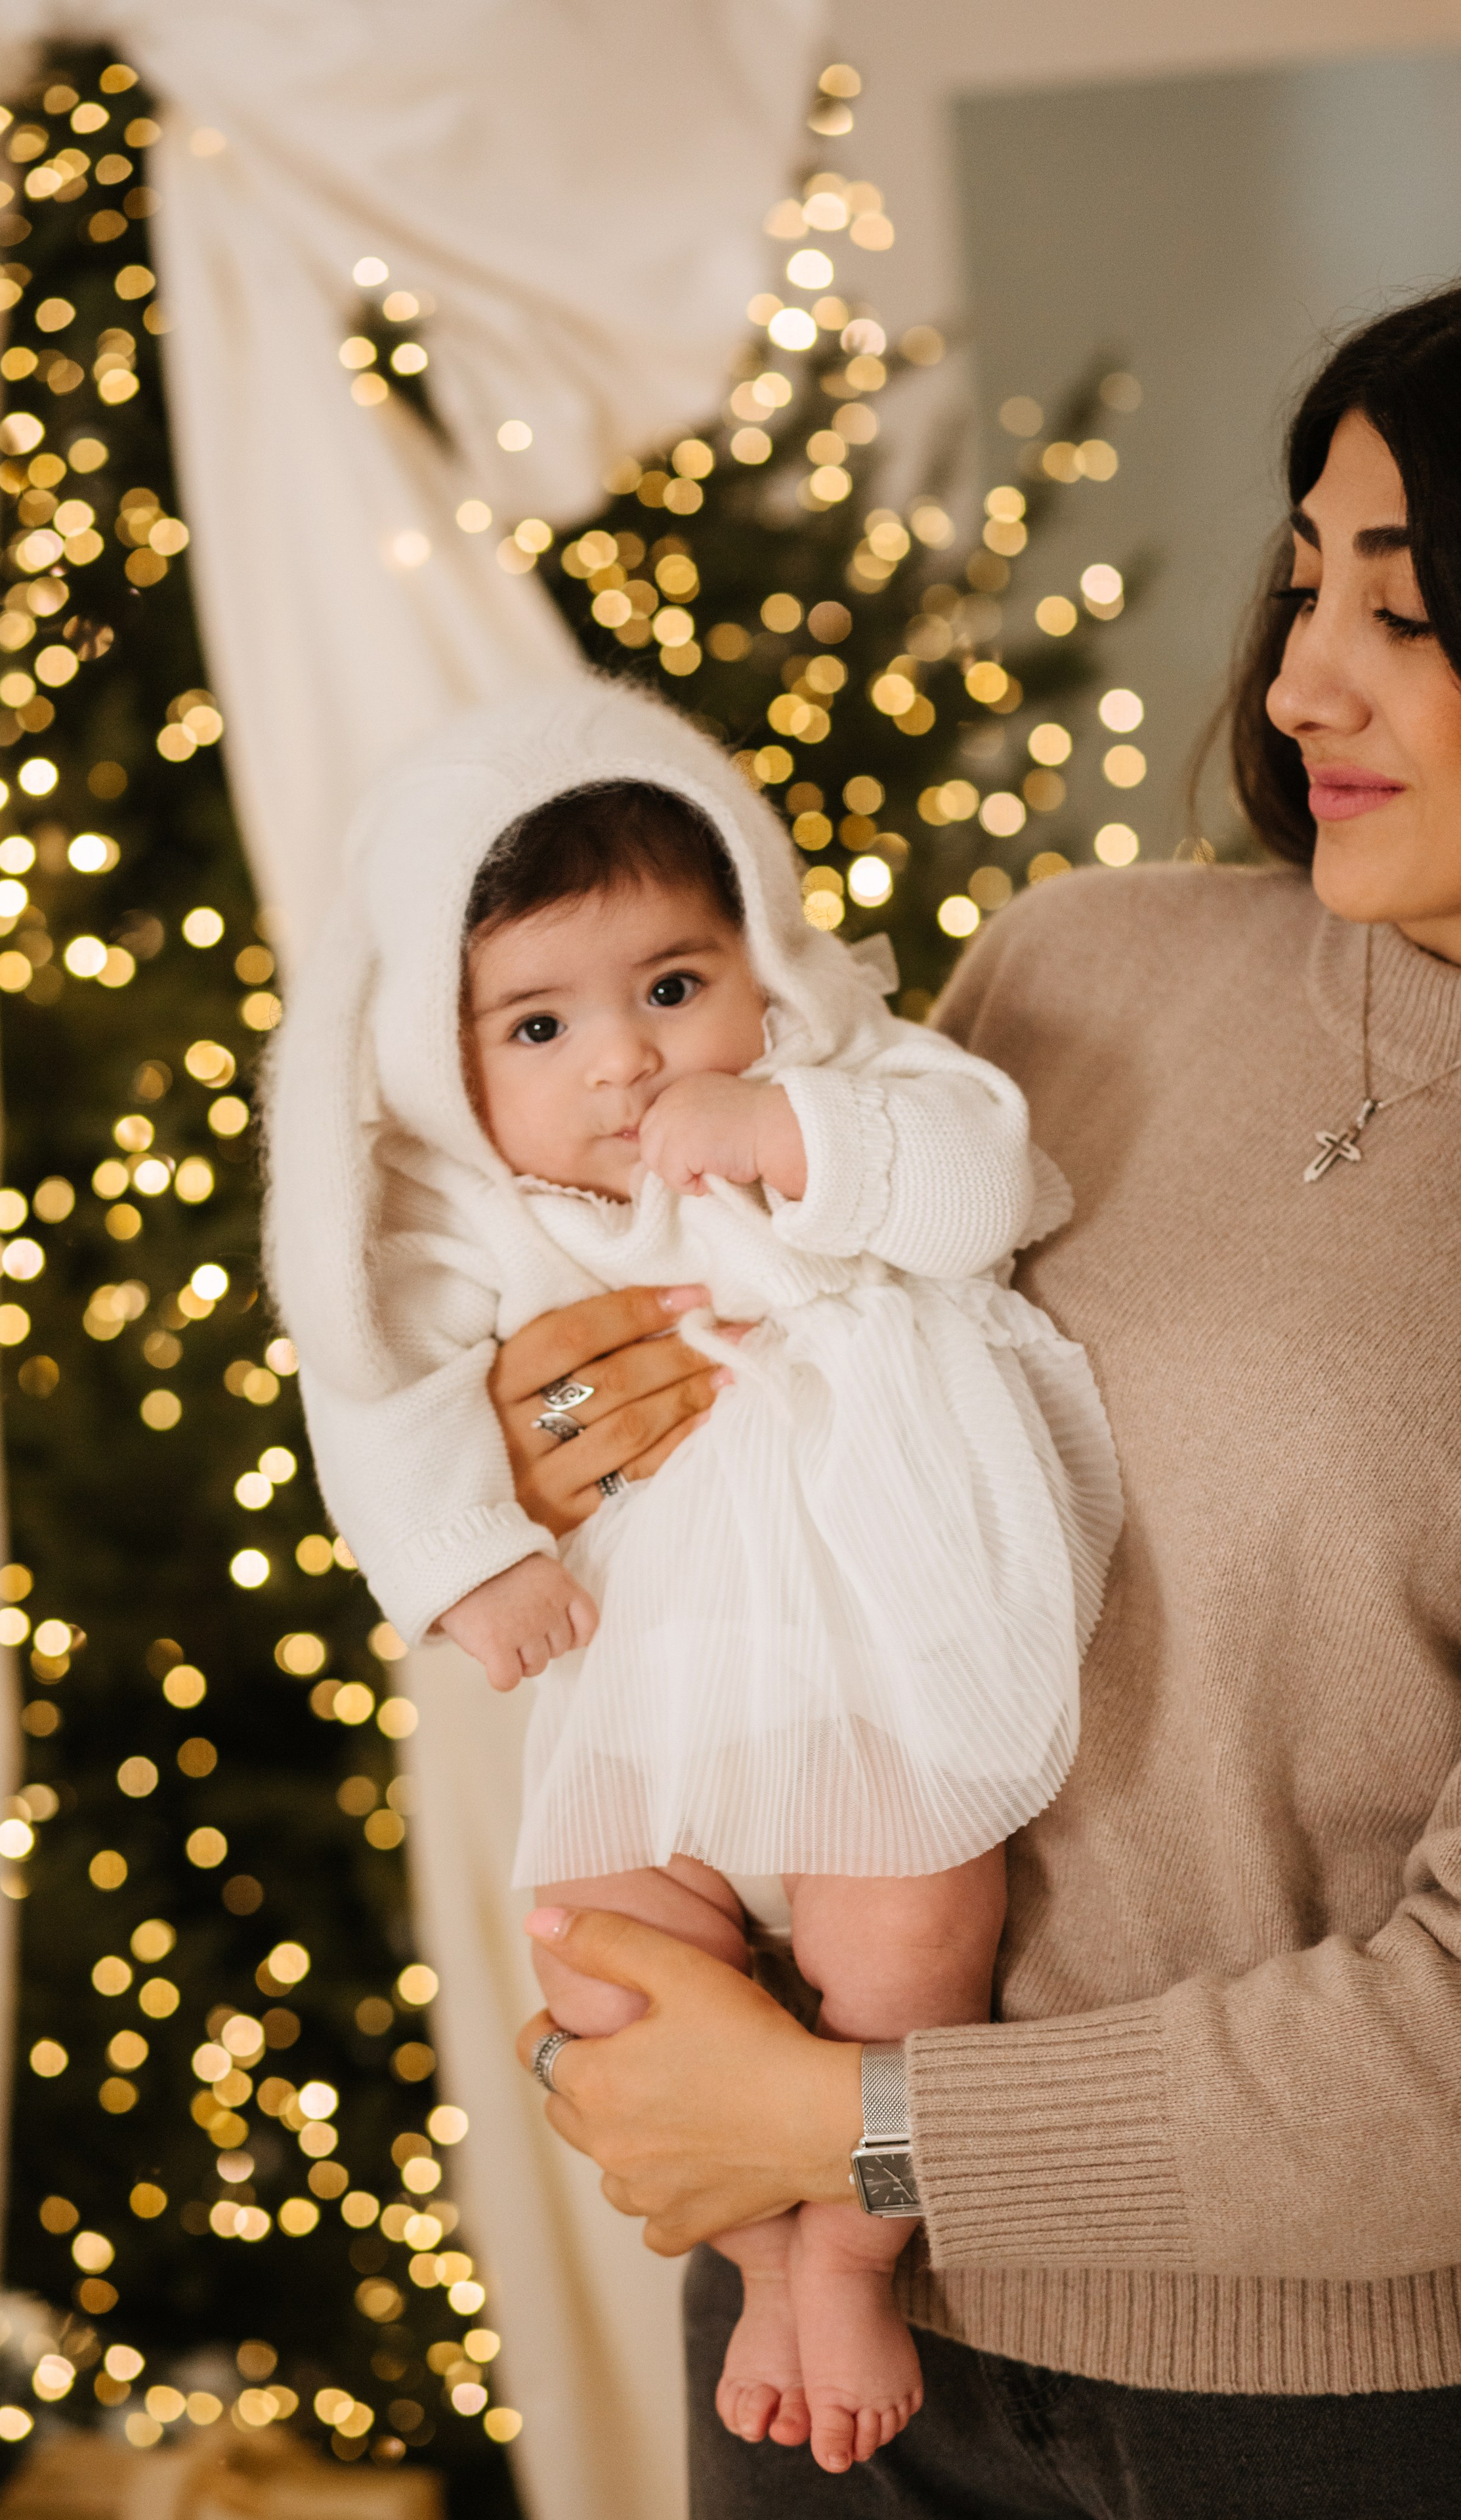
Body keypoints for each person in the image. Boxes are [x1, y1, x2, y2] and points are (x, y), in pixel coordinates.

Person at [497, 284, 1461, 2516]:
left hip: (1332, 2421)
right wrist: (571, 1445)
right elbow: (817, 1417)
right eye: (1306, 579)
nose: (1307, 675)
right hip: (845, 2355)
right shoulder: (1080, 969)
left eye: (1408, 615)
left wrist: (851, 2127)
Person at [267, 679, 1121, 2474]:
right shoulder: (457, 1206)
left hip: (886, 1620)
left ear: (751, 946)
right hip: (653, 1669)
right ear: (440, 1052)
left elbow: (991, 1182)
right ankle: (759, 2246)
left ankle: (852, 2248)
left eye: (670, 985)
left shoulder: (843, 1068)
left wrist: (800, 1142)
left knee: (916, 1919)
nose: (628, 1060)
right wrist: (465, 1559)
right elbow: (375, 1382)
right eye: (541, 1024)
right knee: (591, 1945)